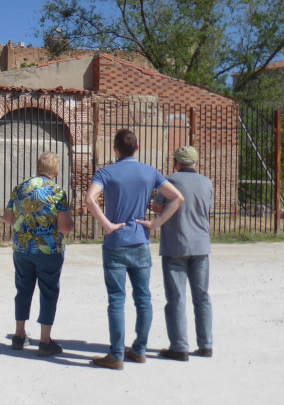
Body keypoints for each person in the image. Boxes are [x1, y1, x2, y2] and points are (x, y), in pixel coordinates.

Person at [85, 129, 184, 370]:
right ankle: (139, 350)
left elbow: (89, 199)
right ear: (137, 149)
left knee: (116, 301)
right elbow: (177, 198)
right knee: (143, 298)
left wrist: (107, 225)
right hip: (140, 241)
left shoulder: (106, 172)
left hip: (115, 243)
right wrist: (156, 223)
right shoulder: (149, 172)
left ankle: (116, 355)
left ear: (115, 149)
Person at [3, 151, 74, 357]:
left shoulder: (21, 187)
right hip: (48, 250)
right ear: (56, 172)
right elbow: (65, 226)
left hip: (22, 249)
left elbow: (7, 218)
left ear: (37, 168)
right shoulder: (57, 191)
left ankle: (19, 335)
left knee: (23, 289)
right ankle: (45, 340)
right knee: (48, 291)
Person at [151, 145, 214, 361]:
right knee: (202, 296)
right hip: (201, 245)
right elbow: (208, 209)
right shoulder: (207, 183)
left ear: (177, 163)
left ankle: (179, 347)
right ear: (195, 162)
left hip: (176, 244)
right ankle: (206, 345)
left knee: (176, 297)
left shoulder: (170, 182)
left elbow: (158, 207)